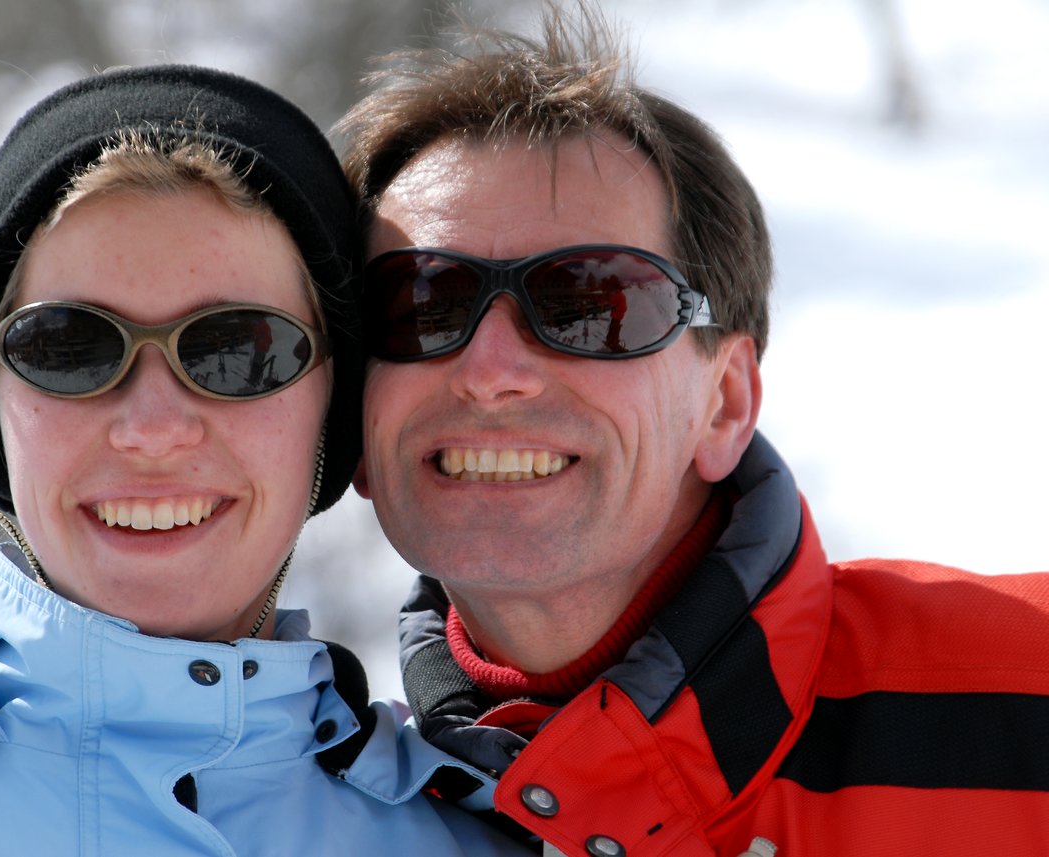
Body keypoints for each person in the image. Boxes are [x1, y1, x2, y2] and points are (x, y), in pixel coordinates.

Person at [337, 5, 1049, 856]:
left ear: (725, 404)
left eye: (589, 303)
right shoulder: (314, 819)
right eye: (419, 305)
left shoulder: (1025, 693)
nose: (490, 370)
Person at [0, 65, 519, 856]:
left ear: (332, 408)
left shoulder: (472, 836)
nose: (153, 428)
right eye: (69, 348)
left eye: (238, 350)